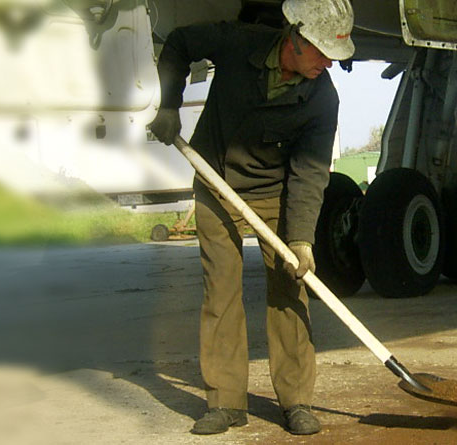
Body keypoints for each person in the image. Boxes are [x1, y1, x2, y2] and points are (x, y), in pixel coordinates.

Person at [148, 0, 355, 436]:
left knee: (288, 289)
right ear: (295, 38)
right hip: (216, 180)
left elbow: (310, 173)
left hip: (275, 194)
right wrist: (169, 104)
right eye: (321, 52)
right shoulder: (238, 42)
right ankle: (225, 403)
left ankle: (297, 400)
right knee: (221, 292)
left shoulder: (322, 99)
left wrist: (301, 240)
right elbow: (181, 43)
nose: (327, 65)